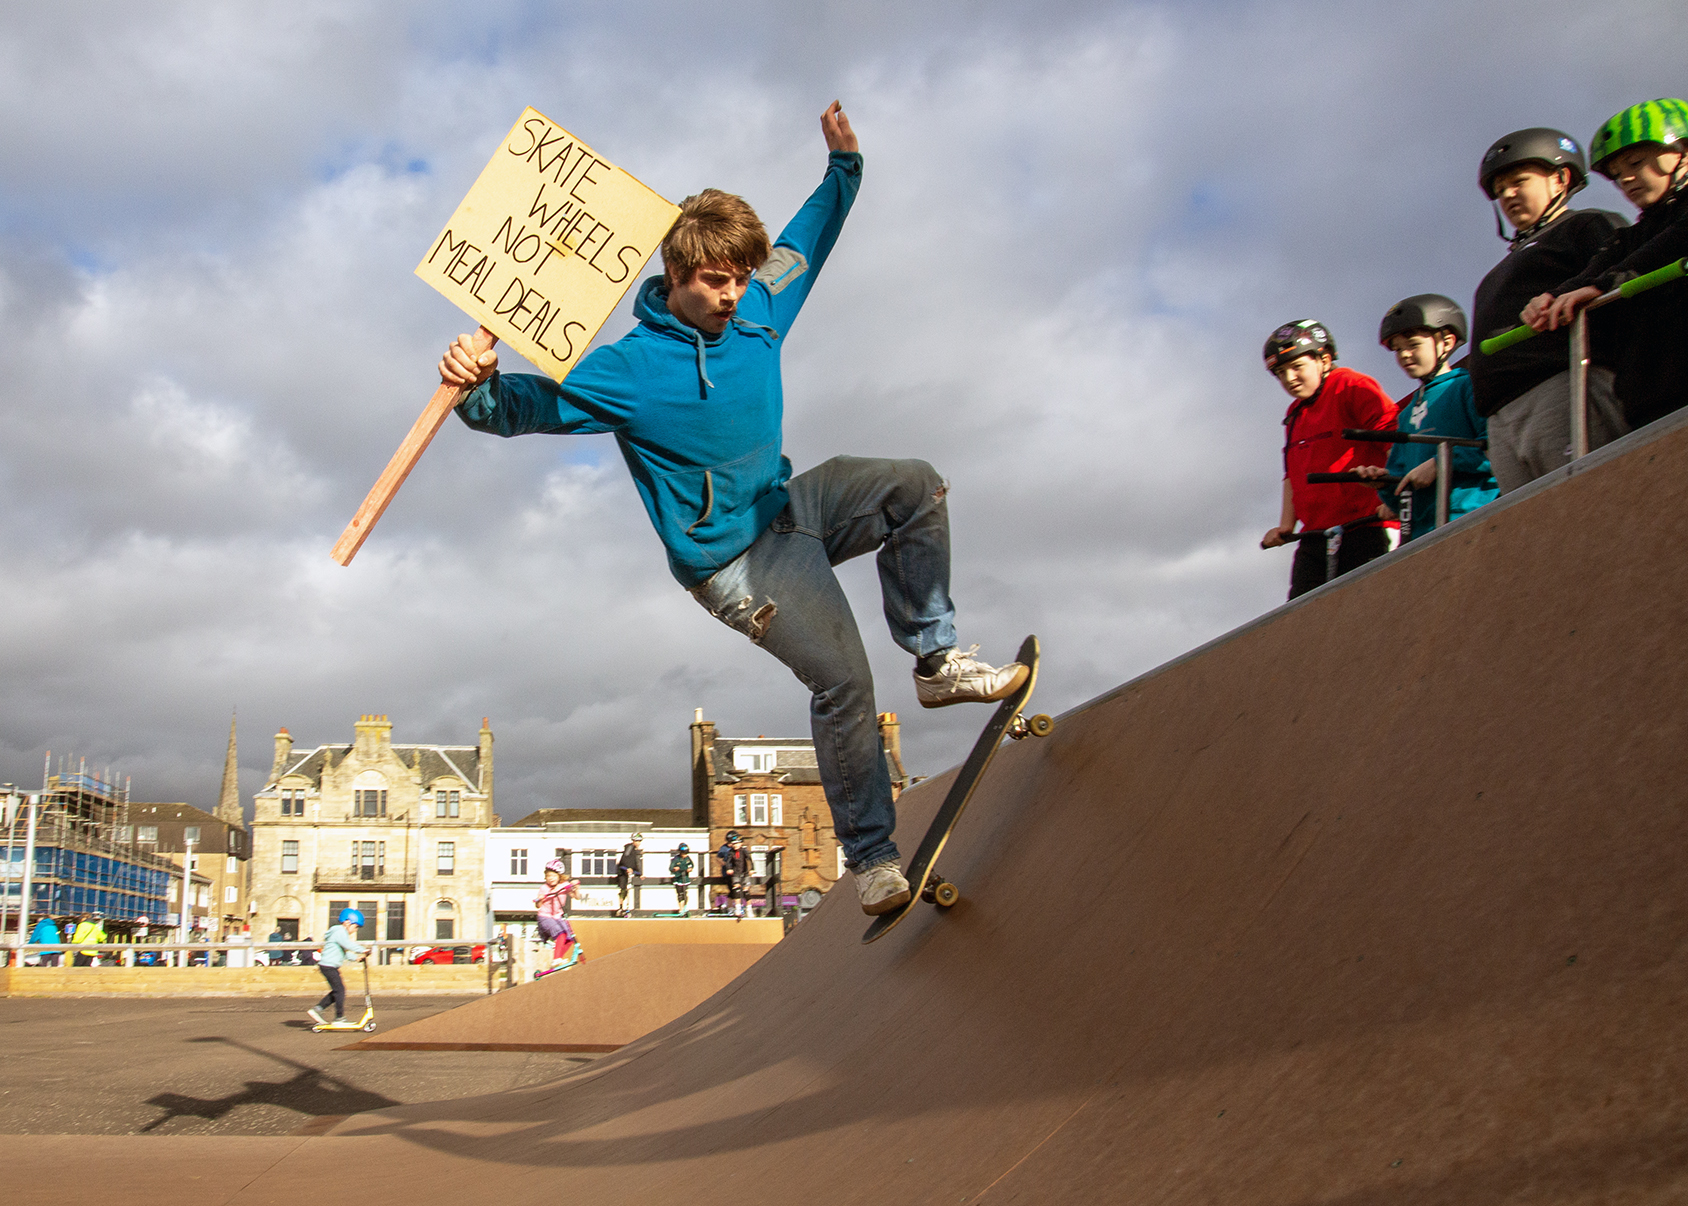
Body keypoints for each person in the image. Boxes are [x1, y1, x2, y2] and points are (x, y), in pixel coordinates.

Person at [442, 102, 1026, 919]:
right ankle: (873, 860)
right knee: (843, 679)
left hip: (794, 506)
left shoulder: (757, 308)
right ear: (675, 276)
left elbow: (803, 244)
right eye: (716, 280)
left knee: (915, 485)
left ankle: (935, 661)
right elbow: (527, 406)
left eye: (740, 278)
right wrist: (476, 388)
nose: (732, 295)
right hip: (736, 563)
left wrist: (844, 169)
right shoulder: (627, 370)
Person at [1468, 127, 1630, 492]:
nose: (1507, 195)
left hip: (1563, 387)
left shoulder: (1586, 224)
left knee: (1588, 504)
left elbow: (1620, 273)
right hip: (1501, 414)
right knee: (1535, 530)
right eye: (1499, 190)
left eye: (1518, 181)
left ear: (1560, 179)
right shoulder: (1503, 266)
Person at [1523, 99, 1688, 432]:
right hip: (1650, 402)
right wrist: (1551, 298)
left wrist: (1605, 284)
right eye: (1616, 174)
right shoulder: (1630, 237)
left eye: (1636, 162)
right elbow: (1594, 271)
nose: (1625, 178)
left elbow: (1672, 241)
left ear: (1683, 151)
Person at [1258, 320, 1398, 597]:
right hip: (1315, 537)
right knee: (1302, 620)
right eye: (1280, 373)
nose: (1289, 379)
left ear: (1324, 359)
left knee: (1370, 610)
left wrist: (1395, 496)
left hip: (1367, 526)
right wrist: (1287, 525)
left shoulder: (1352, 386)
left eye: (1297, 367)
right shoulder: (1294, 412)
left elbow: (1393, 440)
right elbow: (1291, 474)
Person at [1353, 295, 1497, 539]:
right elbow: (1401, 495)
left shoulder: (1466, 386)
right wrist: (1383, 484)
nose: (1404, 355)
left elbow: (1495, 445)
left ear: (1447, 342)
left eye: (1412, 345)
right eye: (1397, 349)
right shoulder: (1407, 413)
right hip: (1421, 533)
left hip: (1471, 521)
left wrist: (1441, 463)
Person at [306, 909, 366, 1026]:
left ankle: (318, 1009)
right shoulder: (339, 932)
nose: (355, 930)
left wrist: (356, 958)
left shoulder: (339, 933)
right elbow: (347, 945)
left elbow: (343, 952)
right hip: (328, 966)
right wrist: (362, 950)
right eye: (355, 927)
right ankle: (339, 1018)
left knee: (338, 990)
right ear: (347, 922)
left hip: (329, 966)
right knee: (340, 990)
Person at [533, 859, 582, 971]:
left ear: (559, 876)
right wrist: (539, 899)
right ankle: (556, 959)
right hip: (545, 917)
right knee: (561, 934)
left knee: (570, 939)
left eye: (553, 876)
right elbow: (538, 905)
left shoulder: (563, 885)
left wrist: (576, 887)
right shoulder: (544, 888)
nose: (551, 879)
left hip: (558, 916)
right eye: (548, 876)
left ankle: (558, 959)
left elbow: (576, 896)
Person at [718, 831, 753, 920]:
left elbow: (750, 860)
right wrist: (728, 868)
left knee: (746, 892)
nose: (734, 846)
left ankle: (749, 909)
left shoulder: (744, 851)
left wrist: (751, 869)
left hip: (744, 873)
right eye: (733, 844)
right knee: (736, 890)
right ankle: (737, 908)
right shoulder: (730, 852)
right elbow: (728, 861)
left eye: (736, 844)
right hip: (735, 873)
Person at [615, 833, 644, 917]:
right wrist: (627, 868)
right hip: (623, 873)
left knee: (627, 890)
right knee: (623, 890)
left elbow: (635, 863)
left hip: (629, 873)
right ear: (633, 841)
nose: (638, 843)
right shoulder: (629, 848)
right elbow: (625, 860)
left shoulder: (635, 851)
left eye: (639, 841)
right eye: (637, 841)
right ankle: (621, 908)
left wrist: (639, 874)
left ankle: (625, 909)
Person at [669, 843, 695, 916]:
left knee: (685, 893)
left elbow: (691, 865)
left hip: (685, 878)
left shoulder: (687, 858)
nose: (685, 855)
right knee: (680, 894)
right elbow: (671, 868)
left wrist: (689, 869)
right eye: (683, 853)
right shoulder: (676, 859)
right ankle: (681, 909)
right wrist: (675, 869)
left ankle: (685, 907)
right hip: (678, 878)